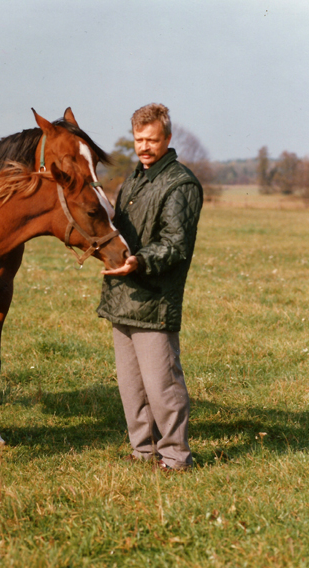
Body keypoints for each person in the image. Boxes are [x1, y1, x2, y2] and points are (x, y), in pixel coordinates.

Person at [96, 103, 203, 471]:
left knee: (162, 386)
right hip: (122, 296)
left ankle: (175, 456)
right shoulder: (132, 181)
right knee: (131, 386)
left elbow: (175, 243)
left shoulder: (181, 183)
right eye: (139, 139)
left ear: (168, 139)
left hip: (155, 298)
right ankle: (143, 450)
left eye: (152, 140)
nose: (144, 147)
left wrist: (139, 262)